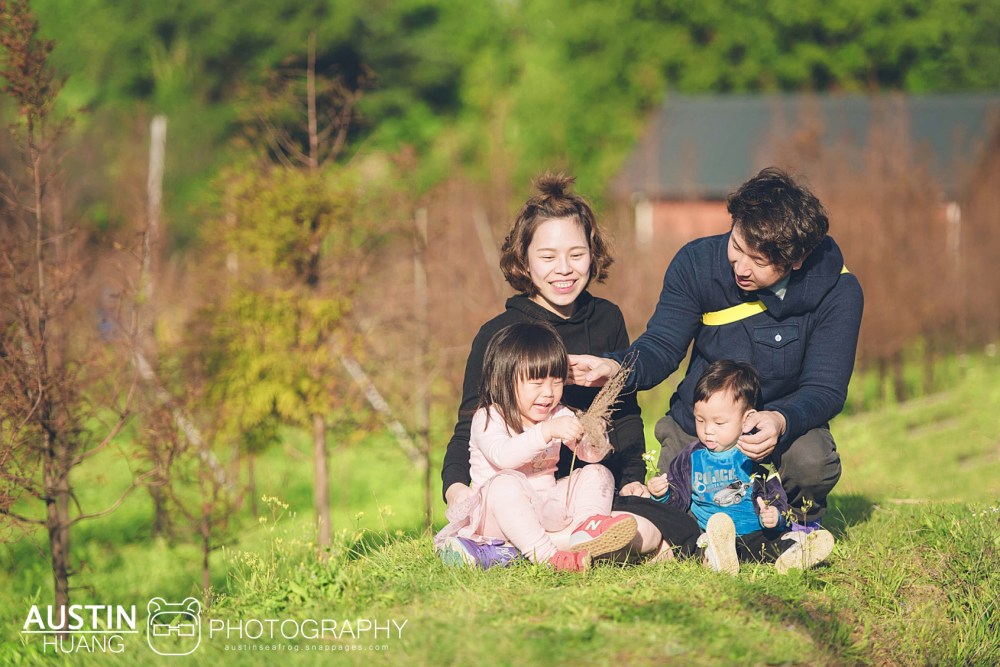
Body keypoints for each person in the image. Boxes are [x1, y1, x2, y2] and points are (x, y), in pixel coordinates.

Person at [570, 167, 864, 531]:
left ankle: (798, 525)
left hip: (780, 419)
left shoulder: (839, 292)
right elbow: (661, 345)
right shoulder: (696, 264)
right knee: (677, 510)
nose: (740, 266)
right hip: (704, 419)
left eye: (758, 261)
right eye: (737, 246)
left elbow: (826, 388)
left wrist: (780, 420)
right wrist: (616, 368)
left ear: (796, 260)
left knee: (811, 463)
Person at [440, 173, 668, 567]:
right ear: (523, 260)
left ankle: (579, 538)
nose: (564, 269)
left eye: (576, 255)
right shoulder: (498, 334)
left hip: (585, 491)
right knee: (645, 538)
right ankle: (547, 547)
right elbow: (469, 426)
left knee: (660, 528)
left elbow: (625, 412)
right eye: (547, 257)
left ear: (592, 255)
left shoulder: (607, 319)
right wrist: (457, 490)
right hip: (513, 491)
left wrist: (632, 475)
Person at [434, 321, 638, 571]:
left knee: (597, 473)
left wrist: (592, 438)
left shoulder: (558, 413)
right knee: (505, 484)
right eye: (536, 382)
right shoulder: (488, 418)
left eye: (556, 381)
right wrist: (546, 432)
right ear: (503, 381)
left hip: (545, 508)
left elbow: (590, 456)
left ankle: (587, 530)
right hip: (496, 517)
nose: (549, 393)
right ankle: (547, 555)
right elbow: (504, 457)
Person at [646, 360, 835, 574]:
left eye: (719, 423)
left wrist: (776, 515)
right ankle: (717, 555)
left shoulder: (754, 453)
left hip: (753, 532)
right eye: (700, 420)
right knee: (696, 542)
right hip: (708, 530)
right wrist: (661, 494)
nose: (708, 430)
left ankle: (796, 553)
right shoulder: (690, 457)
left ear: (747, 419)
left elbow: (774, 495)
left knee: (769, 543)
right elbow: (678, 500)